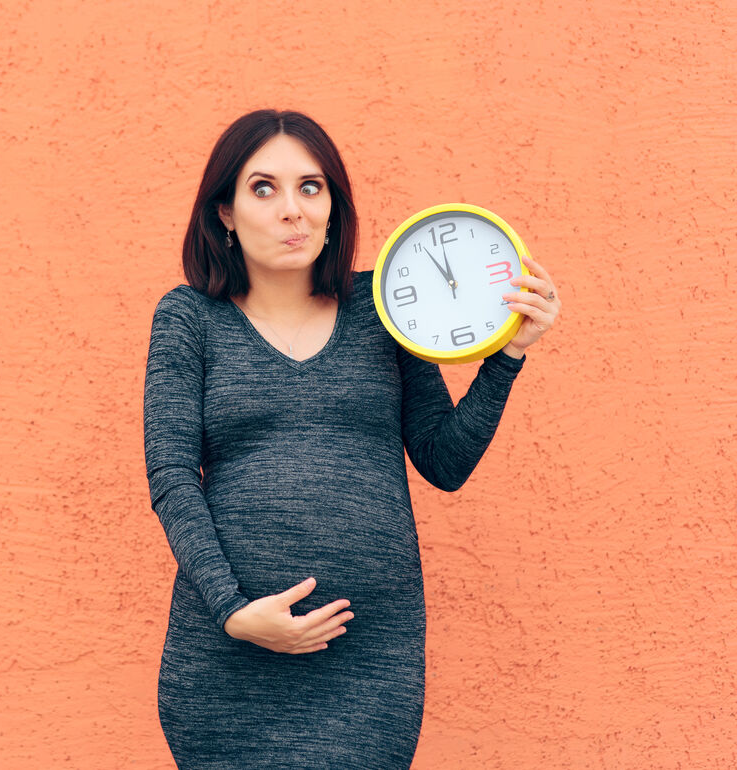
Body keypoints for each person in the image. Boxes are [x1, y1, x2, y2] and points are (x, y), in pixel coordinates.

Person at [142, 109, 561, 767]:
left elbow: (444, 460)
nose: (292, 210)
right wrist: (233, 611)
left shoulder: (381, 309)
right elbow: (170, 478)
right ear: (223, 211)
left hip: (369, 662)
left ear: (334, 207)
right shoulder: (188, 319)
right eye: (263, 188)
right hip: (228, 657)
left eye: (311, 187)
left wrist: (507, 357)